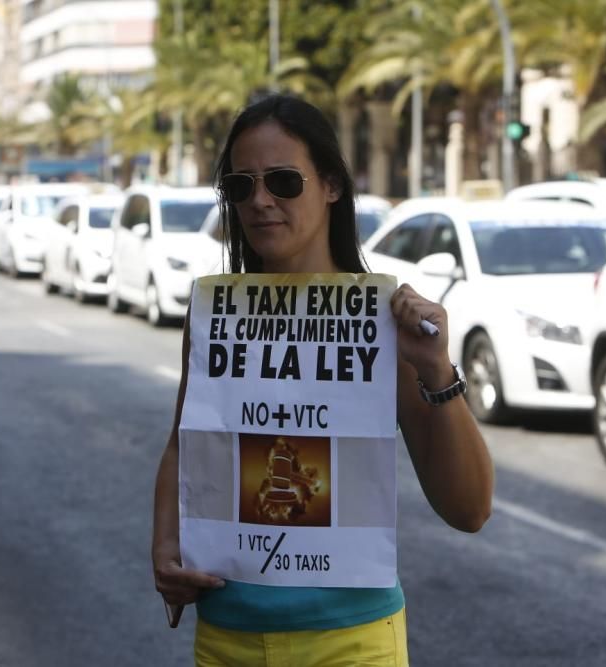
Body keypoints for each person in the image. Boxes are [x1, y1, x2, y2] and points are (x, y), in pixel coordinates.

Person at [151, 95, 495, 666]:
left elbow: (470, 510)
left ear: (332, 184)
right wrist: (164, 548)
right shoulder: (215, 312)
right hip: (226, 640)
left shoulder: (383, 318)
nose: (259, 201)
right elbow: (184, 445)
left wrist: (435, 368)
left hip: (351, 644)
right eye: (241, 186)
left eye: (283, 181)